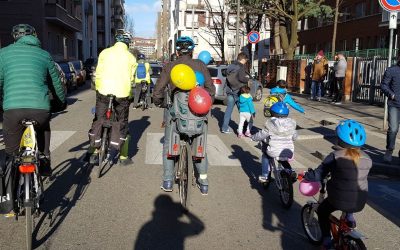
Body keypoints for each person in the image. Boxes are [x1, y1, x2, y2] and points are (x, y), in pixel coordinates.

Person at [0, 24, 66, 177]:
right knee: (44, 127)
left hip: (12, 110)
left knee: (11, 154)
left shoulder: (3, 54)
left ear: (15, 37)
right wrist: (60, 103)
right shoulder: (44, 55)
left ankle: (10, 188)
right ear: (34, 36)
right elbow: (56, 84)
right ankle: (44, 162)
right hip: (40, 109)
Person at [153, 36, 215, 195]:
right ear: (192, 50)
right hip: (198, 113)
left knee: (168, 144)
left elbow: (158, 90)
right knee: (200, 146)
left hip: (176, 111)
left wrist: (159, 102)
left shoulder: (171, 66)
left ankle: (167, 181)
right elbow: (211, 89)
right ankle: (204, 182)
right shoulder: (201, 65)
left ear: (177, 51)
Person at [303, 119, 372, 249]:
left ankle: (327, 240)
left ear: (339, 140)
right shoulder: (368, 158)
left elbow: (319, 174)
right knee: (350, 194)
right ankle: (349, 219)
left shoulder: (335, 156)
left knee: (322, 211)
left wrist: (307, 176)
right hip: (360, 201)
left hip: (338, 200)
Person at [88, 32, 137, 165]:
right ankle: (123, 157)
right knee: (122, 123)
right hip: (122, 93)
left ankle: (93, 152)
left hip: (103, 91)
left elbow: (98, 73)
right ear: (127, 43)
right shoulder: (131, 58)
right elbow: (132, 79)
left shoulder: (104, 53)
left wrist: (98, 89)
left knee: (98, 119)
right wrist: (130, 96)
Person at [251, 102, 297, 183]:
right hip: (289, 150)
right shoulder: (291, 124)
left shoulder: (271, 124)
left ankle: (265, 176)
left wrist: (253, 137)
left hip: (274, 150)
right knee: (283, 160)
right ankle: (290, 171)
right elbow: (295, 137)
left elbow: (261, 135)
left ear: (272, 113)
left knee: (265, 155)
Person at [221, 52, 250, 133]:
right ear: (243, 59)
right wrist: (247, 78)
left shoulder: (231, 66)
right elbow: (241, 78)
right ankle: (245, 128)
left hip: (230, 90)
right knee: (243, 110)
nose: (246, 62)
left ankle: (224, 128)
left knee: (228, 110)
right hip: (238, 91)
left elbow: (225, 74)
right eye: (246, 60)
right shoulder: (240, 67)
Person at [381, 56, 400, 163]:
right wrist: (391, 94)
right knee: (393, 129)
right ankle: (389, 150)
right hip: (394, 105)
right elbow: (383, 85)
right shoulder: (391, 70)